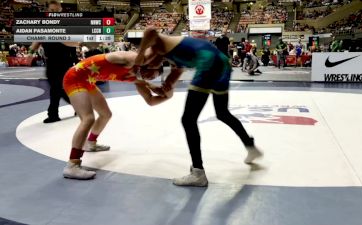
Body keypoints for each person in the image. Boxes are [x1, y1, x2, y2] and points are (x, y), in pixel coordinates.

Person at [134, 28, 263, 187]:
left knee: (188, 119)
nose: (150, 68)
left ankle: (198, 172)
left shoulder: (159, 45)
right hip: (222, 63)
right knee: (222, 113)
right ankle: (250, 146)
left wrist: (139, 56)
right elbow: (175, 73)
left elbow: (150, 30)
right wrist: (166, 85)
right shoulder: (170, 56)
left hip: (208, 62)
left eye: (147, 65)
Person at [62, 51, 168, 180]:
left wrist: (167, 95)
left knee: (105, 114)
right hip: (74, 78)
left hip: (87, 80)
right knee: (88, 118)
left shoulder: (139, 79)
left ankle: (90, 143)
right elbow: (141, 54)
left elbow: (150, 101)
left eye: (150, 77)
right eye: (149, 73)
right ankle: (72, 165)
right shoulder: (130, 59)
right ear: (147, 64)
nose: (146, 77)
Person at [29, 0, 77, 123]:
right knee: (58, 88)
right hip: (50, 62)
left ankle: (53, 114)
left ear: (60, 10)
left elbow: (75, 42)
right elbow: (37, 41)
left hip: (64, 60)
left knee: (56, 87)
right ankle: (78, 106)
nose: (53, 13)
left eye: (56, 11)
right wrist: (30, 53)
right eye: (51, 11)